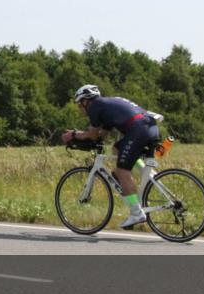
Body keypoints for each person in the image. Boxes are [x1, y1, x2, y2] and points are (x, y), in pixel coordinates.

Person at [61, 85, 161, 229]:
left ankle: (136, 213)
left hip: (138, 129)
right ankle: (146, 172)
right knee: (117, 148)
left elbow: (93, 134)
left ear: (86, 101)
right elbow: (101, 135)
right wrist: (85, 136)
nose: (80, 108)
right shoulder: (106, 106)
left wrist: (74, 135)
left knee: (122, 171)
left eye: (79, 104)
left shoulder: (95, 107)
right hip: (149, 126)